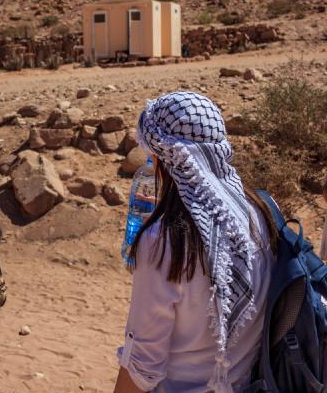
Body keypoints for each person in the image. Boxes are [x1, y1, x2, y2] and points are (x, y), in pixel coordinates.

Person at [114, 91, 278, 393]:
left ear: (164, 158)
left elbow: (143, 366)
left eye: (151, 155)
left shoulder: (164, 241)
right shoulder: (262, 213)